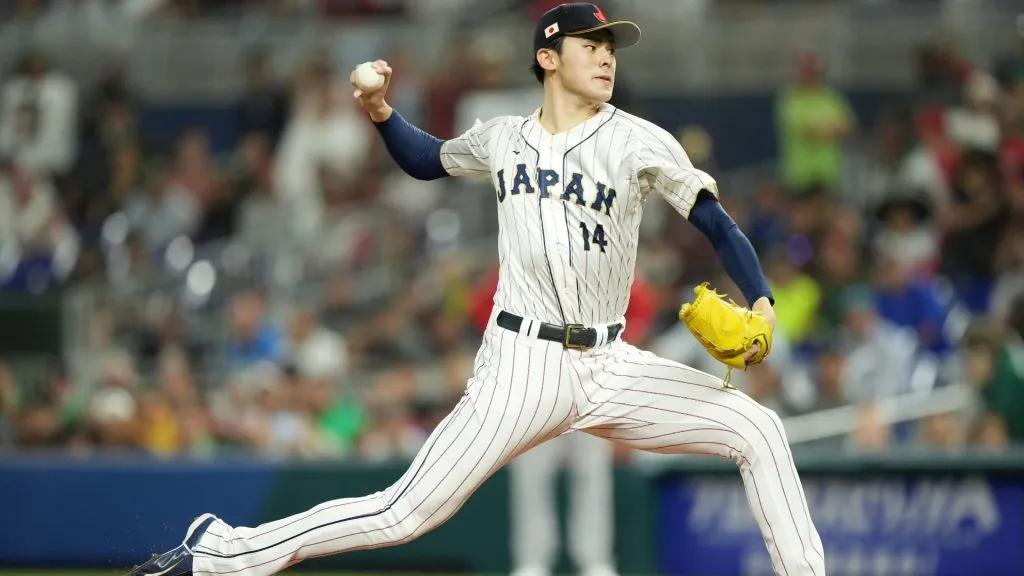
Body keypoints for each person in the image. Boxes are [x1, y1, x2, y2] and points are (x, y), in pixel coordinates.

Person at [127, 4, 826, 576]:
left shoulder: (640, 141)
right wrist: (377, 110)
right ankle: (223, 551)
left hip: (612, 365)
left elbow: (714, 220)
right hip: (523, 363)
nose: (608, 56)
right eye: (591, 44)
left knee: (757, 428)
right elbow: (427, 159)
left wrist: (760, 295)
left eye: (612, 46)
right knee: (402, 514)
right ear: (548, 58)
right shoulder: (503, 139)